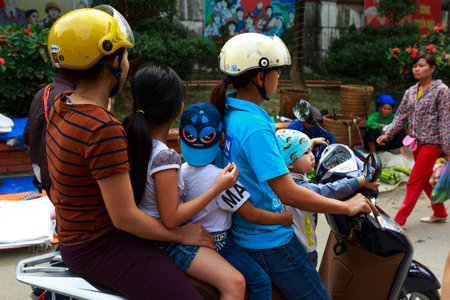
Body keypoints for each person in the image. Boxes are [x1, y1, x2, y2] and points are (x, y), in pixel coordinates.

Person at [45, 7, 214, 299]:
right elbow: (126, 218)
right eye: (125, 55)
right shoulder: (102, 129)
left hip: (72, 239)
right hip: (100, 245)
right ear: (112, 60)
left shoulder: (61, 105)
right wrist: (180, 234)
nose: (127, 63)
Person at [210, 32, 378, 299]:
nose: (280, 77)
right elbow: (289, 193)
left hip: (243, 233)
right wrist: (346, 205)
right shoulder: (254, 127)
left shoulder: (230, 111)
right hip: (269, 241)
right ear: (259, 77)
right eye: (277, 71)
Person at [123, 65, 246, 299]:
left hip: (140, 236)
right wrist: (217, 187)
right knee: (235, 283)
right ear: (179, 109)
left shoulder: (129, 139)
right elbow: (171, 219)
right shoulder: (165, 156)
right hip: (162, 240)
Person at [180, 102, 294, 299]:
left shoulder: (179, 171)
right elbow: (251, 214)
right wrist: (283, 218)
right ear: (221, 139)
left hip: (190, 243)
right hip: (220, 244)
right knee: (260, 282)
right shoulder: (224, 179)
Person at [276, 129, 379, 267]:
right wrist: (359, 181)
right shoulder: (296, 187)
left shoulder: (287, 176)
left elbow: (290, 153)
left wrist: (310, 143)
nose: (312, 156)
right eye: (306, 153)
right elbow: (324, 191)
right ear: (290, 163)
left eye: (310, 151)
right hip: (303, 251)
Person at [377, 53, 449, 226]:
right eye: (415, 66)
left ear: (432, 69)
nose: (417, 69)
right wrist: (388, 132)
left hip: (433, 143)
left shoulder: (442, 91)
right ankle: (440, 211)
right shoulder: (410, 91)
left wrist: (447, 148)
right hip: (416, 141)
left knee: (414, 180)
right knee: (423, 179)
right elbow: (401, 116)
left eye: (421, 65)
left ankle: (399, 220)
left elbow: (446, 121)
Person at [23, 70, 76, 197]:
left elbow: (27, 137)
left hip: (42, 173)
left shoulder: (44, 92)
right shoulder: (70, 99)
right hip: (60, 180)